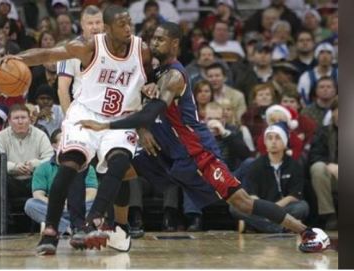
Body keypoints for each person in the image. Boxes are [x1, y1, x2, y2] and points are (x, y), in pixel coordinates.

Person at [77, 22, 330, 253]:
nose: (154, 44)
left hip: (197, 154)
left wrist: (105, 125)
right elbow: (138, 104)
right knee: (118, 168)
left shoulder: (175, 76)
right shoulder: (154, 72)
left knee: (242, 202)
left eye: (160, 40)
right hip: (167, 149)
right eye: (153, 39)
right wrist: (143, 125)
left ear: (174, 44)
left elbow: (149, 113)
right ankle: (118, 229)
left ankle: (307, 232)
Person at [1, 5, 151, 255]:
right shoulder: (88, 46)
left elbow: (157, 74)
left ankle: (94, 220)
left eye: (130, 24)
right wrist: (18, 59)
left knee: (119, 163)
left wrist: (153, 93)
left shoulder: (141, 50)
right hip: (85, 113)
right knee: (70, 164)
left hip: (120, 118)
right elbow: (48, 53)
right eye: (122, 24)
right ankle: (50, 230)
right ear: (108, 27)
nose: (128, 29)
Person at [230, 122, 309, 233]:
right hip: (261, 208)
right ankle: (281, 227)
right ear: (265, 142)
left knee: (302, 207)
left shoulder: (294, 165)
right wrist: (266, 210)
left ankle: (257, 225)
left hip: (283, 207)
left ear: (285, 142)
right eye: (269, 138)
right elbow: (252, 195)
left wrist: (273, 210)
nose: (273, 141)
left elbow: (294, 196)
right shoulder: (256, 165)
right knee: (235, 207)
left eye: (277, 138)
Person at [24, 129, 99, 235]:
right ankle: (69, 227)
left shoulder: (86, 166)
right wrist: (58, 204)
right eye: (64, 141)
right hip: (55, 209)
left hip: (81, 206)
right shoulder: (42, 168)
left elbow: (92, 192)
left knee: (99, 203)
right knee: (30, 204)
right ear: (54, 146)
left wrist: (74, 204)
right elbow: (38, 195)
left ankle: (71, 226)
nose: (68, 145)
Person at [0, 104, 54, 229]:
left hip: (34, 178)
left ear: (30, 119)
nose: (20, 121)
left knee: (49, 175)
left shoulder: (40, 135)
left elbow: (49, 158)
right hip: (11, 180)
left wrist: (34, 164)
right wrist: (14, 167)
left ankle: (44, 223)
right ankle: (6, 226)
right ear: (9, 121)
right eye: (16, 118)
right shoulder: (1, 136)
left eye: (23, 117)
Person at [56, 5, 104, 114]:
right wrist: (68, 119)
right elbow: (62, 89)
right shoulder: (70, 50)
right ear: (82, 25)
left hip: (109, 108)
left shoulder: (113, 47)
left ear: (103, 24)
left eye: (98, 22)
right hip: (83, 109)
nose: (95, 27)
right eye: (90, 23)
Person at [308, 97, 338, 230]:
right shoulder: (323, 132)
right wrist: (328, 164)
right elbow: (314, 156)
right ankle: (329, 215)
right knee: (318, 168)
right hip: (331, 176)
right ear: (333, 112)